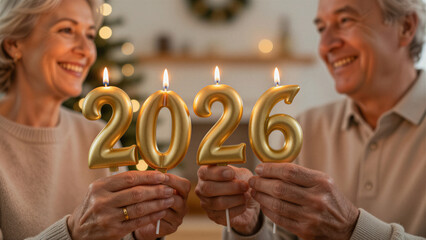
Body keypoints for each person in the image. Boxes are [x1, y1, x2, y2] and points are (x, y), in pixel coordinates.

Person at [195, 0, 426, 239]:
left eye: (345, 21)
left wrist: (352, 229)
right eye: (321, 29)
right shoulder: (307, 127)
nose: (325, 46)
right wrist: (250, 226)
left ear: (406, 27)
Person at [0, 0, 190, 239]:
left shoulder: (97, 135)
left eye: (90, 35)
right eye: (67, 30)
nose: (86, 50)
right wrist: (73, 232)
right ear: (14, 44)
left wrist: (137, 235)